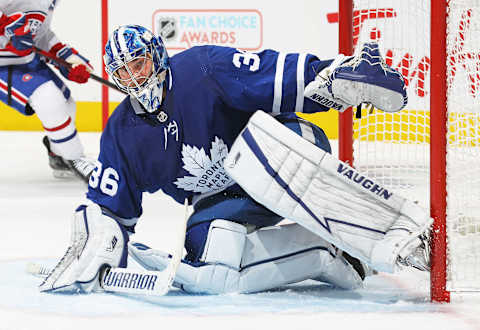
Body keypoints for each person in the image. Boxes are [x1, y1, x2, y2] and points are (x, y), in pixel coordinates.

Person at [38, 25, 431, 295]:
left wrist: (330, 75)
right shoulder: (121, 133)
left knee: (258, 159)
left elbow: (277, 75)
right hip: (230, 196)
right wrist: (100, 245)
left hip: (284, 149)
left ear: (157, 55)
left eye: (138, 63)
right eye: (123, 71)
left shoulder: (201, 68)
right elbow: (110, 211)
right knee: (210, 269)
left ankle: (396, 234)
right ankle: (324, 254)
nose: (134, 77)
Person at [0, 0, 95, 182]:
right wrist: (6, 27)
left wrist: (68, 60)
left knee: (67, 105)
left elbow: (41, 36)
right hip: (3, 64)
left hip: (26, 61)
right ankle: (76, 159)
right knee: (49, 98)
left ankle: (58, 154)